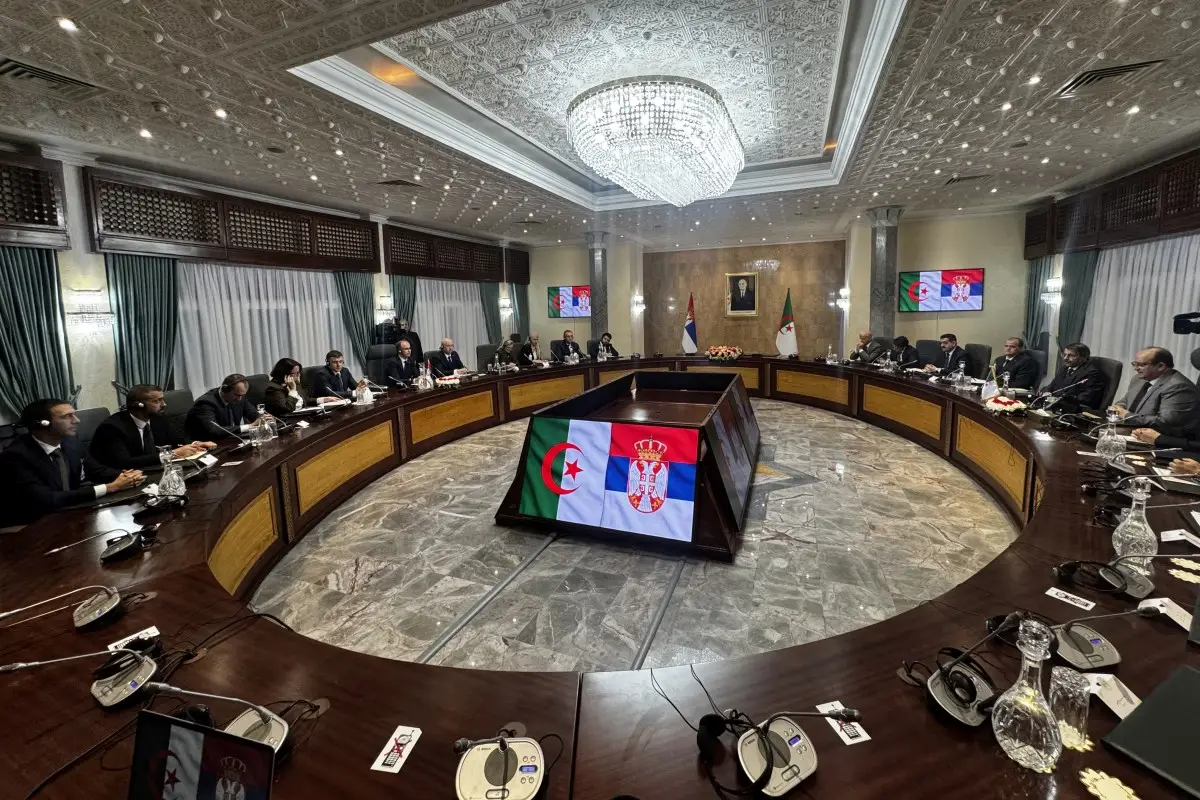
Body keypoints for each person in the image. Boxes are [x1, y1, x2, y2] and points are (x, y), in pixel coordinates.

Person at [0, 399, 143, 525]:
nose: (76, 420)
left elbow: (96, 470)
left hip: (69, 513)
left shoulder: (70, 443)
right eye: (67, 416)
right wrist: (108, 488)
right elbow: (46, 499)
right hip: (30, 525)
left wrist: (127, 476)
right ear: (43, 424)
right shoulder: (15, 456)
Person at [89, 385, 215, 471]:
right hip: (125, 479)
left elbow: (176, 441)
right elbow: (124, 463)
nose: (164, 405)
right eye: (157, 401)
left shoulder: (157, 418)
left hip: (154, 471)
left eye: (162, 400)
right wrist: (171, 455)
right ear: (138, 405)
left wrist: (195, 444)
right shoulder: (111, 428)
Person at [1111, 347, 1200, 437]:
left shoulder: (1179, 387)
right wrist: (1116, 409)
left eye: (1141, 365)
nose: (1136, 368)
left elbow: (1163, 423)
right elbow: (1125, 402)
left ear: (1161, 366)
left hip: (1158, 438)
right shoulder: (1138, 379)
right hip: (1131, 431)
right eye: (1134, 364)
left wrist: (1127, 416)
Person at [186, 373, 266, 441]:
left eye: (242, 395)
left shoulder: (240, 397)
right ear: (225, 389)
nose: (239, 399)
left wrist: (262, 418)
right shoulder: (205, 403)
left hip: (232, 441)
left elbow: (252, 413)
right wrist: (249, 426)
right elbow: (213, 430)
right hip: (209, 445)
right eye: (236, 395)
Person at [1040, 343, 1106, 410]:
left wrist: (1058, 400)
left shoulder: (1092, 374)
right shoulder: (1065, 368)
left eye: (1071, 355)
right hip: (1054, 406)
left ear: (1084, 357)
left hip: (1073, 410)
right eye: (1064, 354)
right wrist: (1046, 392)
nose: (1065, 358)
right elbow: (1052, 386)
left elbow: (1085, 398)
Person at [264, 358, 339, 416]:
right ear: (284, 374)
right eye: (296, 373)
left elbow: (305, 400)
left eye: (299, 372)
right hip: (288, 421)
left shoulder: (294, 382)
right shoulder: (273, 388)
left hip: (302, 416)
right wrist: (293, 390)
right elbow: (287, 408)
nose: (299, 375)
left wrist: (324, 399)